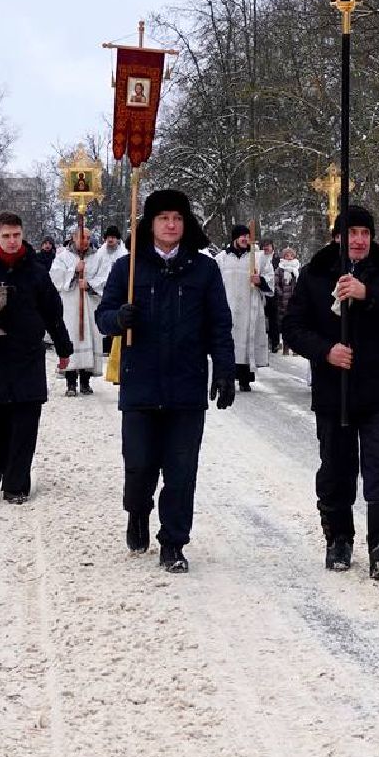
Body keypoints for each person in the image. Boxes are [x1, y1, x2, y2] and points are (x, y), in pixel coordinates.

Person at [95, 189, 236, 574]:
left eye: (177, 218)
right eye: (163, 218)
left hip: (186, 386)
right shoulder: (128, 269)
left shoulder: (204, 270)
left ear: (185, 223)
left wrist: (224, 369)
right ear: (150, 224)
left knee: (181, 470)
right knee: (139, 466)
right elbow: (103, 315)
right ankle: (137, 511)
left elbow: (218, 324)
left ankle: (173, 542)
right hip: (141, 384)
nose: (171, 225)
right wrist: (117, 320)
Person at [282, 206, 379, 579]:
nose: (358, 240)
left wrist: (367, 293)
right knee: (337, 467)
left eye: (365, 232)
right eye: (351, 233)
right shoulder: (316, 271)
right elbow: (292, 327)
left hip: (377, 389)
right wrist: (326, 350)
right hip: (334, 390)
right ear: (337, 237)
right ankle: (339, 537)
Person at [0, 212, 74, 504]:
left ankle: (16, 484)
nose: (12, 241)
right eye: (6, 236)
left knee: (25, 421)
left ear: (22, 235)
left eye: (16, 235)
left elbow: (53, 313)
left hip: (27, 357)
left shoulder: (36, 273)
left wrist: (63, 349)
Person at [214, 224, 270, 391]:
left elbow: (270, 279)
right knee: (229, 343)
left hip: (249, 308)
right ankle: (227, 379)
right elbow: (214, 283)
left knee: (246, 343)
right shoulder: (222, 258)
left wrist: (260, 281)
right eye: (242, 236)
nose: (245, 239)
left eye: (247, 235)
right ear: (235, 238)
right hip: (228, 307)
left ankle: (245, 380)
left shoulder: (258, 258)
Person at [49, 228, 102, 396]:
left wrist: (90, 284)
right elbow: (55, 277)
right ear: (73, 238)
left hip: (89, 304)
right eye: (81, 237)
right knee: (71, 339)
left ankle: (85, 382)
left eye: (88, 237)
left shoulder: (97, 257)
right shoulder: (63, 257)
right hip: (71, 305)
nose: (85, 240)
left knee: (89, 339)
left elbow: (105, 277)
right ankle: (71, 383)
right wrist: (73, 271)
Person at [85, 225, 127, 356]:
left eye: (113, 237)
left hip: (118, 293)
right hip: (99, 292)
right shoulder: (99, 254)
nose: (110, 240)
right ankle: (103, 346)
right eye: (108, 237)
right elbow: (91, 272)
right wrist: (92, 285)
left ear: (118, 240)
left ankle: (113, 347)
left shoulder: (124, 254)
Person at [273, 246, 301, 354]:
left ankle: (296, 348)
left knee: (296, 325)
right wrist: (280, 293)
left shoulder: (297, 268)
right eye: (286, 255)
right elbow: (275, 283)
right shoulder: (280, 269)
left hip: (295, 301)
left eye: (291, 255)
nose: (289, 257)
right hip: (283, 302)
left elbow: (301, 282)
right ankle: (285, 347)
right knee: (285, 324)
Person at [258, 239, 281, 354]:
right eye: (264, 246)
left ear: (273, 247)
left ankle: (275, 342)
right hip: (260, 292)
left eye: (268, 246)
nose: (266, 248)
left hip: (273, 294)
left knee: (273, 319)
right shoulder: (258, 259)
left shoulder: (277, 260)